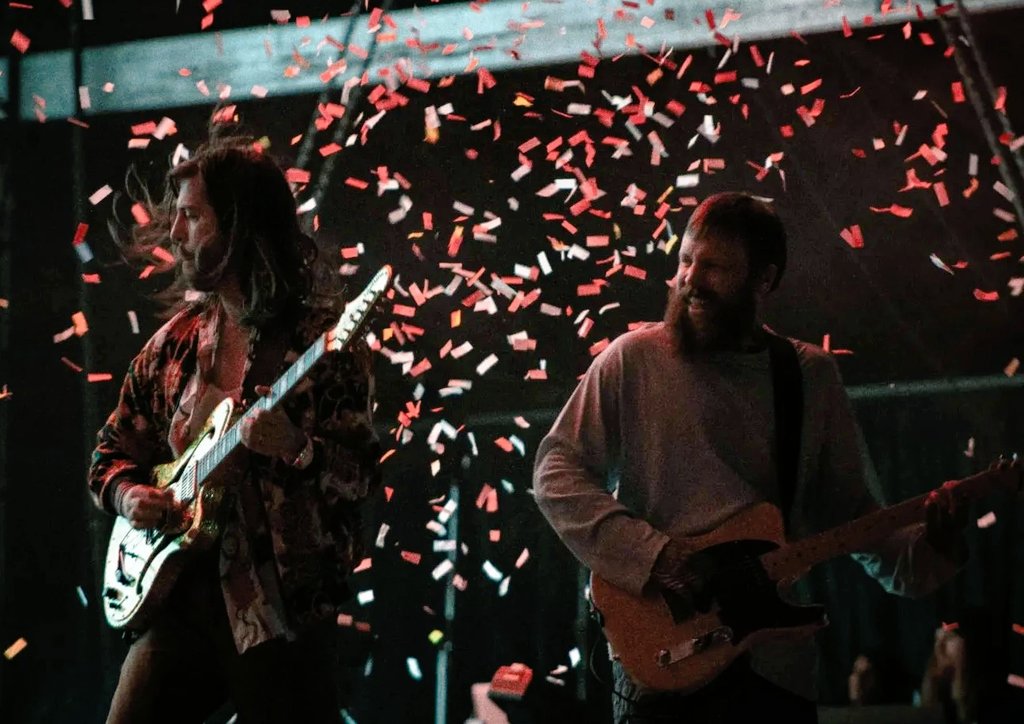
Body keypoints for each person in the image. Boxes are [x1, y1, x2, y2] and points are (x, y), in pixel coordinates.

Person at [533, 192, 974, 723]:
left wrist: (933, 550)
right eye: (685, 260)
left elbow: (851, 517)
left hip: (773, 670)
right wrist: (654, 556)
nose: (690, 279)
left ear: (763, 281)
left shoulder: (810, 376)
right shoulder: (631, 358)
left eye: (714, 266)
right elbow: (555, 472)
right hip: (662, 670)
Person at [88, 136, 380, 724]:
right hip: (178, 602)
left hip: (277, 614)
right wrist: (129, 495)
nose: (176, 236)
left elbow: (361, 477)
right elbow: (109, 455)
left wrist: (297, 450)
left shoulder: (320, 344)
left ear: (240, 224)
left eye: (193, 217)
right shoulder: (171, 345)